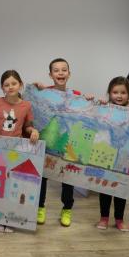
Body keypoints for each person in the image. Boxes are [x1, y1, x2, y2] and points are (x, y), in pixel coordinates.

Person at [33, 58, 93, 227]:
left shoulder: (76, 95)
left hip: (67, 142)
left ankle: (67, 209)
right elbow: (33, 101)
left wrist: (87, 99)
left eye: (64, 70)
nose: (60, 73)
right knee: (43, 176)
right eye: (56, 70)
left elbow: (87, 113)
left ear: (69, 74)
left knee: (68, 177)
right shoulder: (45, 93)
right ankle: (40, 207)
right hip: (48, 140)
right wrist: (37, 88)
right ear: (50, 75)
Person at [0, 70, 39, 233]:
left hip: (16, 151)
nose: (10, 87)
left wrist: (33, 131)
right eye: (6, 84)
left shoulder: (26, 105)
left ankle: (9, 220)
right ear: (2, 87)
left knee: (12, 187)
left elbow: (28, 126)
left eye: (14, 83)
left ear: (20, 85)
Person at [96, 76, 129, 232]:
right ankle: (104, 218)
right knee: (105, 188)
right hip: (107, 154)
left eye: (123, 92)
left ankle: (119, 219)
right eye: (115, 92)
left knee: (121, 188)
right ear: (110, 93)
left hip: (124, 155)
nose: (119, 96)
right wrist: (100, 103)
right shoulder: (106, 107)